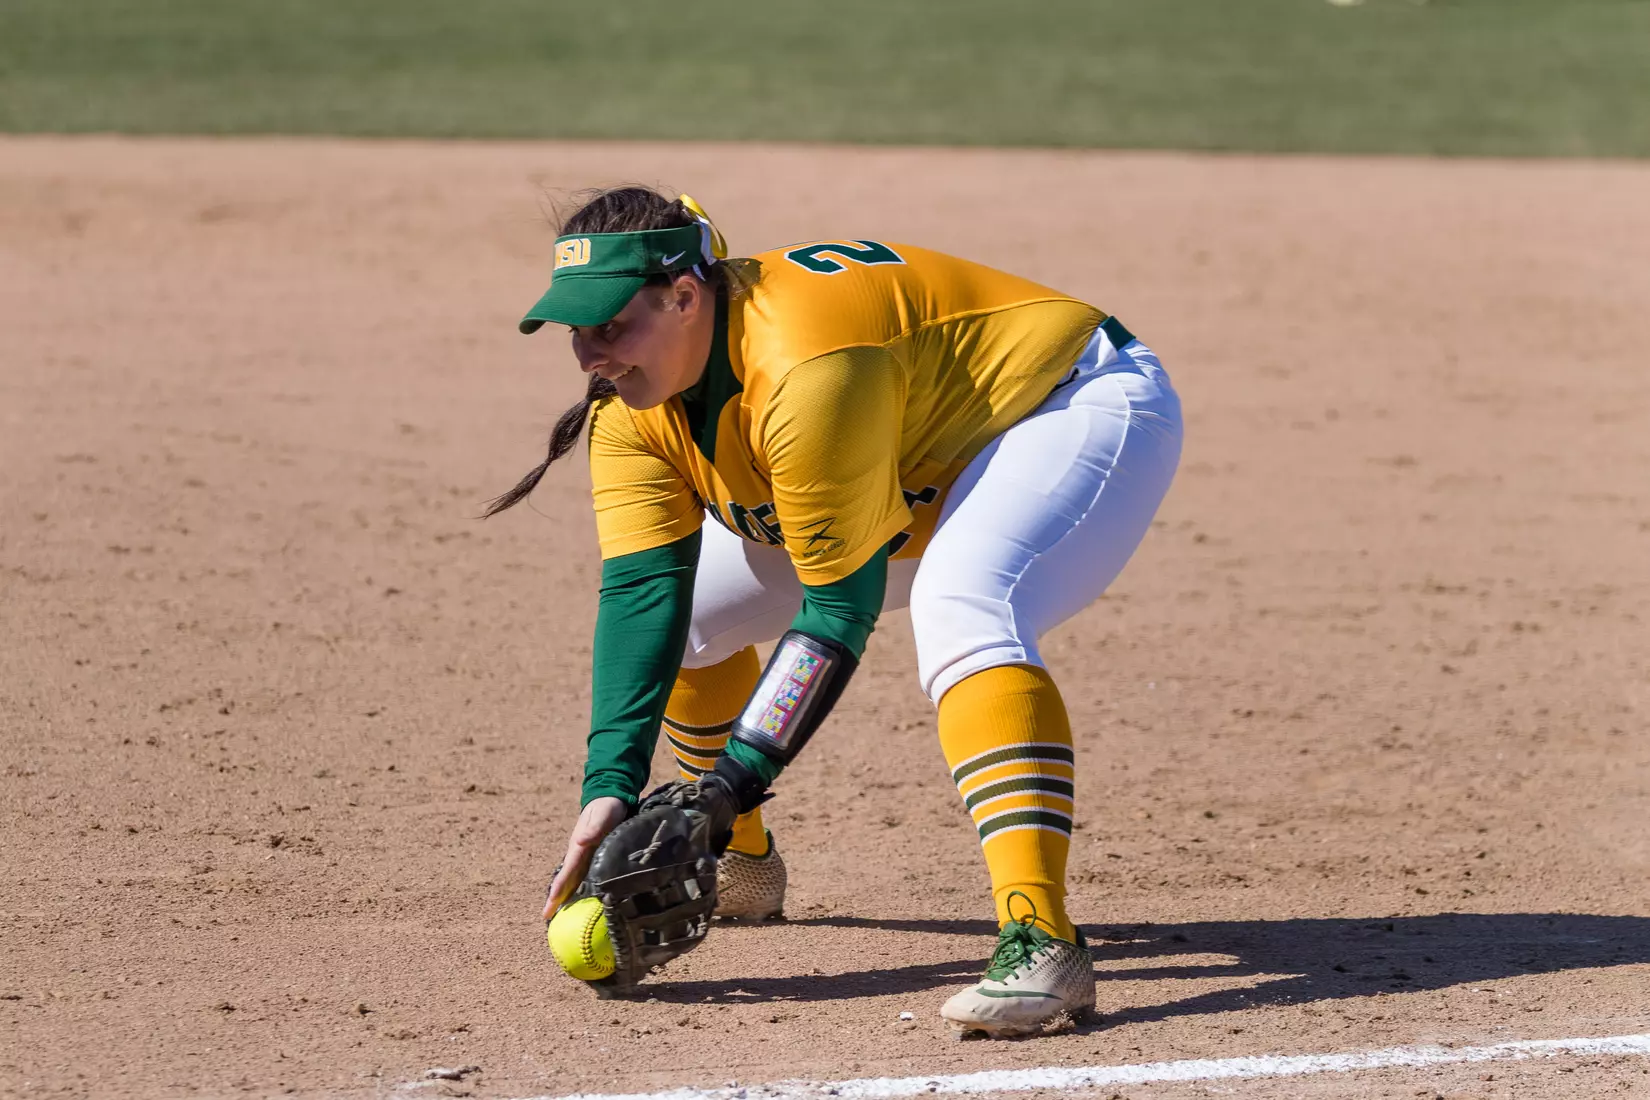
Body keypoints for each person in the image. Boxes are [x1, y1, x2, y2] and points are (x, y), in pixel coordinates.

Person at [492, 186, 1183, 1037]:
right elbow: (647, 594)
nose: (590, 355)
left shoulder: (803, 369)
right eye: (576, 330)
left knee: (964, 603)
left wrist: (728, 784)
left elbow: (837, 610)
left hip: (1065, 406)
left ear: (685, 296)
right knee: (696, 622)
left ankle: (1042, 940)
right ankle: (743, 865)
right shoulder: (633, 412)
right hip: (905, 463)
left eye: (610, 326)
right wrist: (610, 787)